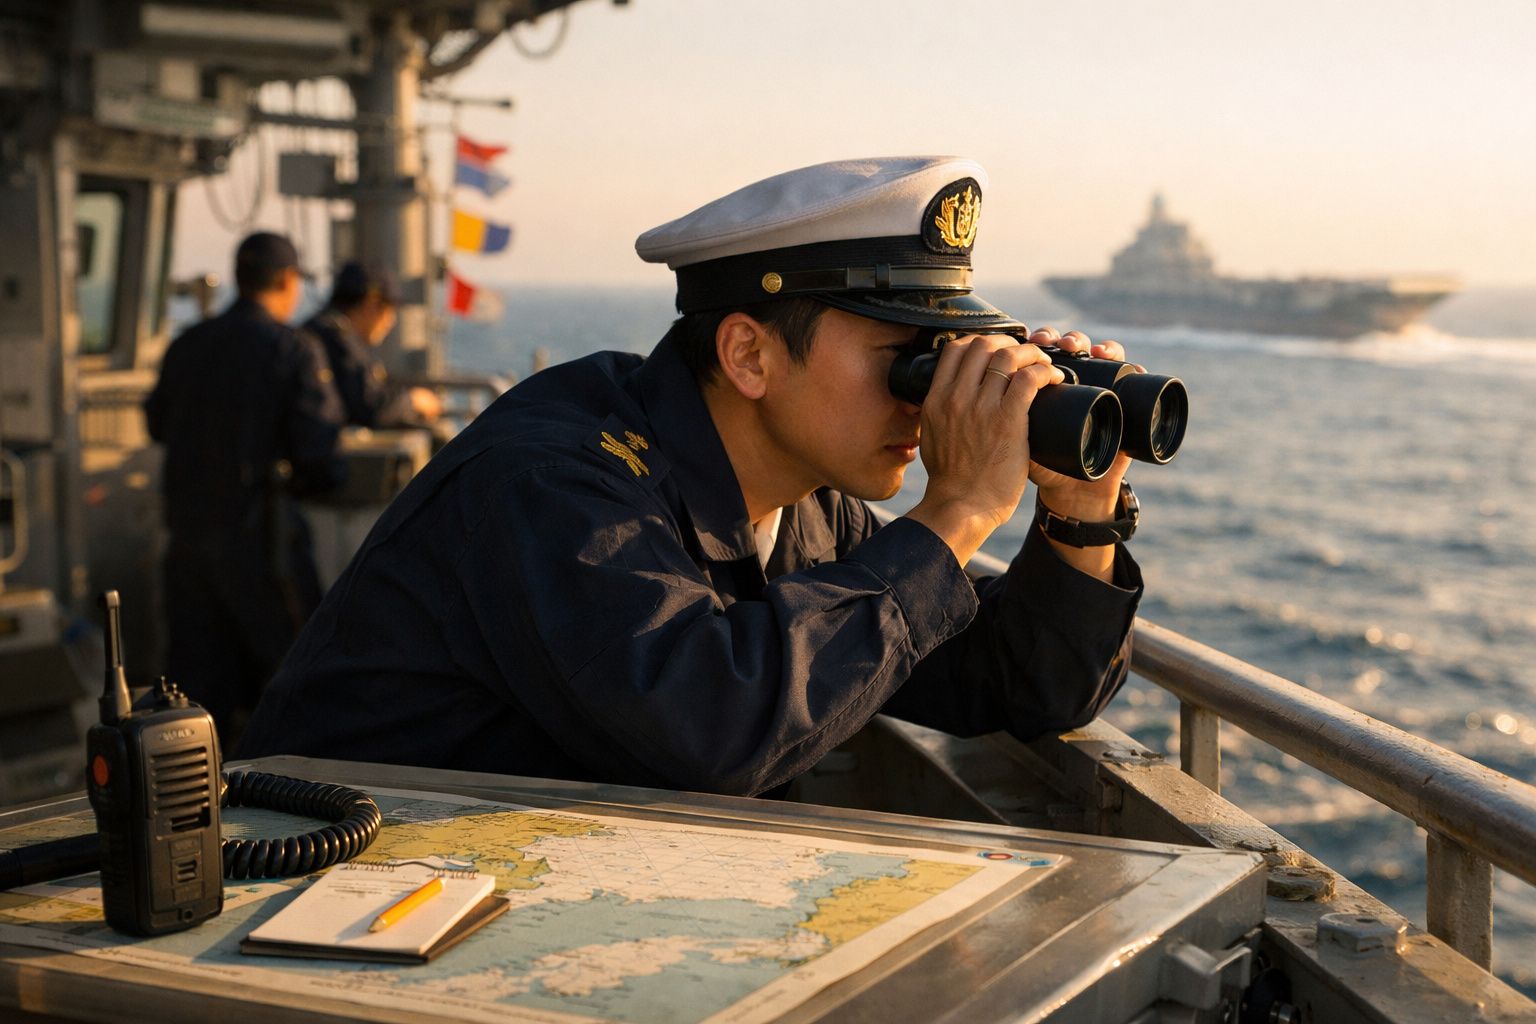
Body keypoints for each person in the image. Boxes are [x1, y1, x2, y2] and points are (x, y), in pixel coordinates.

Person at [238, 157, 1143, 797]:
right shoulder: (552, 487)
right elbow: (709, 725)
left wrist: (1079, 516)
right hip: (314, 914)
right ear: (748, 352)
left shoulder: (806, 502)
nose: (927, 400)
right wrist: (958, 510)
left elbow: (1009, 688)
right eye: (907, 359)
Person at [145, 231, 346, 747]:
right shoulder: (292, 348)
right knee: (295, 689)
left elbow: (158, 423)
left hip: (188, 547)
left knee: (193, 703)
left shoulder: (188, 343)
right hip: (262, 551)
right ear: (287, 280)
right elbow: (320, 457)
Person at [302, 262, 442, 429]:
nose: (391, 321)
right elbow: (371, 406)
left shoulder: (319, 331)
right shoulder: (338, 339)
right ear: (371, 303)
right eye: (390, 310)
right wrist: (413, 400)